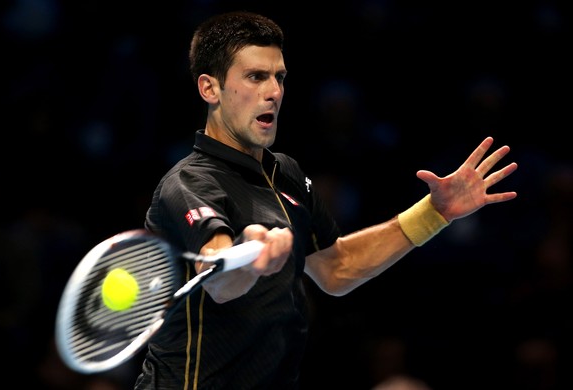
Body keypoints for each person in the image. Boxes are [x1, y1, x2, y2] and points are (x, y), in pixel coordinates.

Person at [134, 10, 518, 389]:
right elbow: (217, 275)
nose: (274, 92)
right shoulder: (188, 183)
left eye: (279, 77)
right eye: (255, 77)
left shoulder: (285, 173)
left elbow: (338, 268)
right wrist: (252, 255)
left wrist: (434, 212)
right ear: (209, 88)